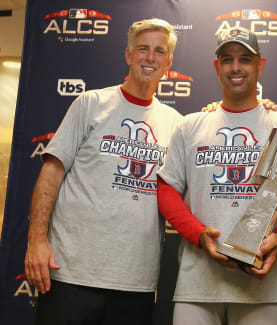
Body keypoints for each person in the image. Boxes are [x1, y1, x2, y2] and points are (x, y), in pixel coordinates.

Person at [24, 18, 183, 325]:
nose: (150, 58)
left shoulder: (176, 123)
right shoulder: (90, 103)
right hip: (69, 273)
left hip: (135, 282)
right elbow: (51, 174)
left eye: (159, 51)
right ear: (128, 55)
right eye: (142, 49)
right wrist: (37, 241)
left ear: (169, 61)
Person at [156, 26, 277, 325]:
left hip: (264, 285)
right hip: (199, 285)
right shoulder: (191, 125)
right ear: (217, 67)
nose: (236, 67)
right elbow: (166, 190)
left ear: (260, 65)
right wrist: (200, 235)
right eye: (227, 59)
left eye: (245, 58)